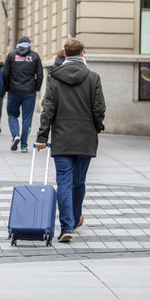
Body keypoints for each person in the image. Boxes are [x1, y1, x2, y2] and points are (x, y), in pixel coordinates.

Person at [35, 37, 106, 243]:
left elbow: (48, 108)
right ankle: (74, 219)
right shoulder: (93, 77)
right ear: (82, 54)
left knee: (64, 182)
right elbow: (99, 108)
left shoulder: (54, 77)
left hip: (62, 137)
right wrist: (97, 126)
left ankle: (66, 226)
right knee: (79, 182)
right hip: (85, 137)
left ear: (65, 54)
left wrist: (42, 135)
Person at [3, 35, 43, 153]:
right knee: (27, 118)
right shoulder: (34, 56)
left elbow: (5, 74)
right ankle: (24, 145)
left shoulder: (11, 55)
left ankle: (15, 135)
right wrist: (36, 88)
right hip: (29, 92)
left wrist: (7, 88)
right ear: (28, 43)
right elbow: (40, 75)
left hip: (14, 91)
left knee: (12, 115)